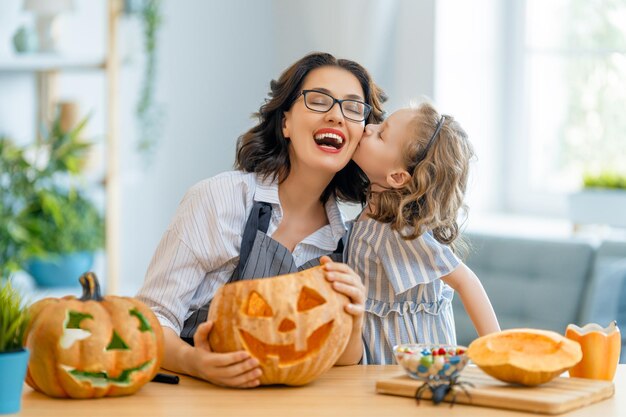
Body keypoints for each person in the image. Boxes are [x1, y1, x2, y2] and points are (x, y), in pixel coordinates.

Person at [137, 52, 386, 387]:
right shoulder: (219, 200)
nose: (336, 115)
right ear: (285, 122)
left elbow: (340, 362)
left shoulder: (349, 240)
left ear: (359, 136)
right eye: (318, 100)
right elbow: (150, 319)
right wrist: (195, 362)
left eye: (353, 107)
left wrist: (354, 318)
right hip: (198, 396)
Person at [346, 101, 500, 364]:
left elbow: (466, 281)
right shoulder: (371, 216)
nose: (368, 128)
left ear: (396, 177)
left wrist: (500, 356)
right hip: (377, 368)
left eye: (381, 133)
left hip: (406, 372)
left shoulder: (397, 231)